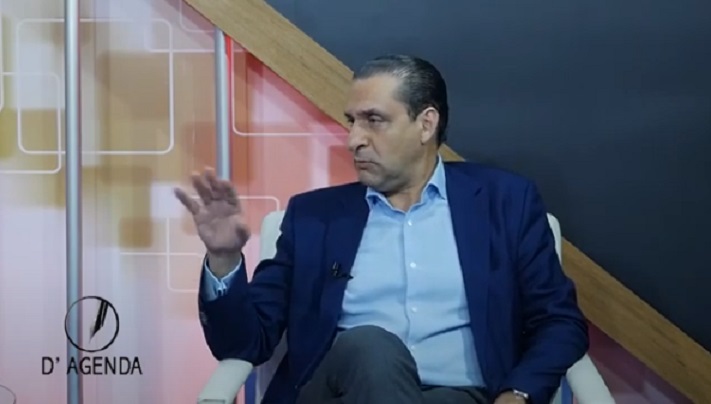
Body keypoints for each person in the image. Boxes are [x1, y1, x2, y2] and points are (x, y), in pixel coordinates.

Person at [175, 55, 588, 404]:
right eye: (352, 121)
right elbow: (245, 343)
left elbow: (559, 321)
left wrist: (518, 393)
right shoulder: (314, 217)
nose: (354, 139)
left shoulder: (505, 202)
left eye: (374, 120)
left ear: (426, 124)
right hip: (338, 393)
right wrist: (224, 260)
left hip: (462, 396)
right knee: (371, 346)